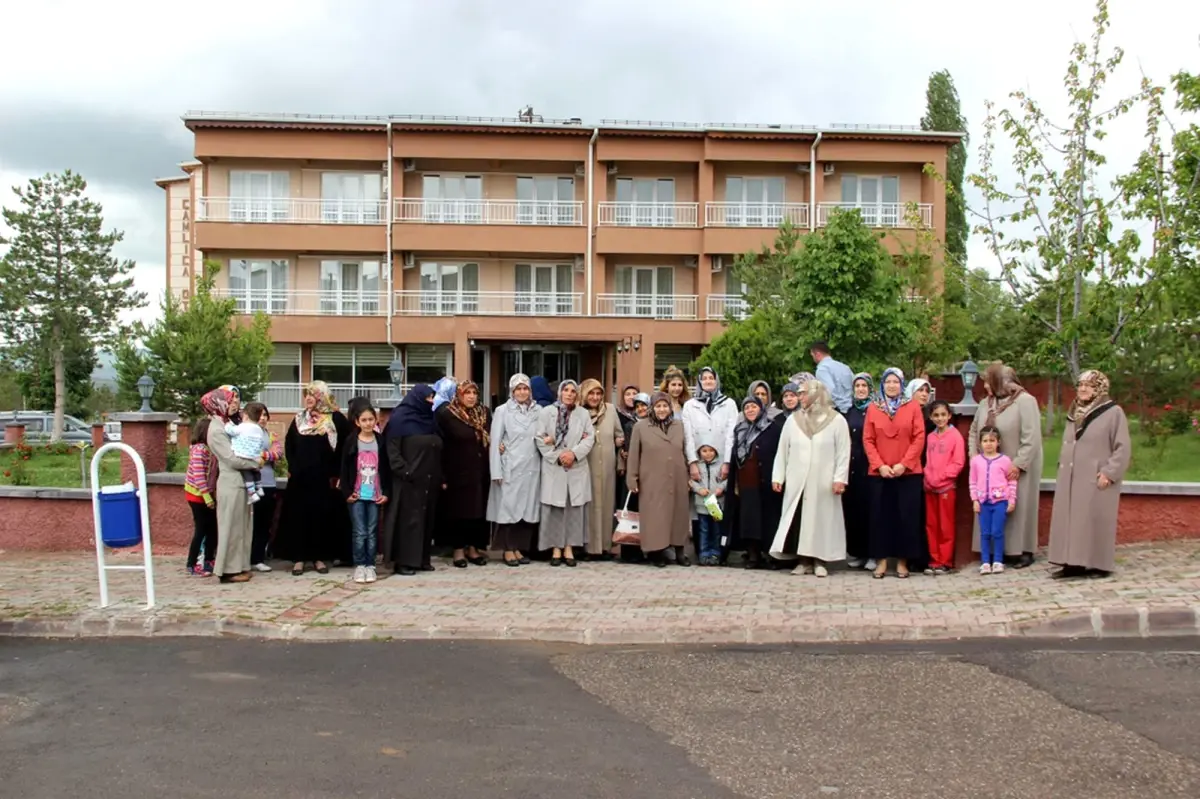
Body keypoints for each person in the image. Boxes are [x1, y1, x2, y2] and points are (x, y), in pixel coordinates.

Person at [1048, 370, 1131, 580]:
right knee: (1072, 520)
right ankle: (1071, 564)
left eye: (1089, 385)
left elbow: (1122, 447)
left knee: (1094, 519)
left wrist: (1109, 473)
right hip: (1071, 475)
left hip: (1097, 476)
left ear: (1100, 389)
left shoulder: (1113, 412)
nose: (1083, 389)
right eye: (1080, 385)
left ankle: (1098, 565)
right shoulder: (1074, 411)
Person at [769, 379, 850, 577]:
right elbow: (783, 450)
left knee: (821, 520)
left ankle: (820, 561)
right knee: (800, 520)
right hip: (798, 480)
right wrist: (778, 476)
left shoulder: (836, 420)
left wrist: (840, 478)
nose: (800, 397)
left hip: (824, 482)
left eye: (804, 393)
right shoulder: (793, 420)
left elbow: (843, 452)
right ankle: (803, 561)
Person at [968, 365, 1044, 568]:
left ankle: (1023, 550)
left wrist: (1019, 463)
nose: (984, 386)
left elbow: (1032, 436)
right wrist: (975, 456)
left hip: (1017, 464)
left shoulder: (1025, 402)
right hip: (988, 466)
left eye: (987, 381)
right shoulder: (986, 403)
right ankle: (994, 552)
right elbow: (975, 430)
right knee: (990, 505)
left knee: (1019, 507)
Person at [275, 381, 352, 577]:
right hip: (300, 480)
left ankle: (319, 558)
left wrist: (337, 474)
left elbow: (346, 447)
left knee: (320, 518)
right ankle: (299, 559)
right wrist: (292, 467)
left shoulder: (335, 419)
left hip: (324, 481)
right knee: (299, 518)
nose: (308, 399)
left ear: (322, 396)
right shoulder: (299, 419)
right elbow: (289, 445)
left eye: (312, 394)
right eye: (306, 395)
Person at [863, 367, 927, 579]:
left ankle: (902, 561)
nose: (892, 385)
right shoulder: (874, 408)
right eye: (888, 382)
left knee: (906, 517)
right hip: (880, 474)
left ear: (902, 384)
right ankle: (881, 561)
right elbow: (868, 439)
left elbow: (919, 437)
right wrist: (880, 465)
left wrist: (904, 464)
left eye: (896, 382)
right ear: (882, 384)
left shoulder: (913, 407)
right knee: (880, 518)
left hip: (907, 474)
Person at [201, 387, 264, 584]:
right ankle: (227, 570)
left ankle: (240, 566)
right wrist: (255, 463)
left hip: (240, 483)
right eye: (228, 400)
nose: (233, 404)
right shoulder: (216, 429)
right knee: (230, 528)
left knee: (242, 528)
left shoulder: (227, 424)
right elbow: (231, 459)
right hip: (231, 483)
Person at [626, 392, 691, 567]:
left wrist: (690, 475)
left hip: (677, 476)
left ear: (670, 408)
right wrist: (632, 478)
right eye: (658, 406)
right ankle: (656, 552)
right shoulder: (641, 427)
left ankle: (679, 551)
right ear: (652, 408)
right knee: (655, 517)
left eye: (665, 406)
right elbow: (633, 455)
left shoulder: (679, 426)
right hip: (652, 479)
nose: (662, 410)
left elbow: (686, 451)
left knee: (678, 515)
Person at [384, 384, 444, 576]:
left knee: (425, 520)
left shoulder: (430, 420)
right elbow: (392, 450)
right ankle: (404, 561)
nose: (431, 401)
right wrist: (405, 472)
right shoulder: (399, 419)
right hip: (407, 480)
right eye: (428, 398)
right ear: (417, 398)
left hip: (428, 479)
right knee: (408, 521)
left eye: (432, 397)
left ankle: (421, 560)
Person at [535, 379, 594, 566]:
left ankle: (569, 547)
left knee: (573, 509)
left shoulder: (583, 414)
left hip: (576, 467)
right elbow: (539, 437)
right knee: (555, 510)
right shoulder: (546, 413)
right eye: (566, 390)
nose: (569, 394)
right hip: (555, 467)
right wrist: (558, 456)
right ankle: (555, 548)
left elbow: (589, 438)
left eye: (573, 391)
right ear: (559, 393)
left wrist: (573, 454)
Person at [437, 379, 492, 568]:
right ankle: (458, 550)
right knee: (459, 512)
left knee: (477, 512)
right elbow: (441, 446)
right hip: (457, 472)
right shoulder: (447, 414)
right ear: (459, 395)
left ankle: (473, 549)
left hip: (480, 471)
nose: (471, 397)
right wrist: (442, 475)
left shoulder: (484, 413)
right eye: (467, 393)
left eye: (474, 393)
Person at [487, 374, 542, 566]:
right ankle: (507, 549)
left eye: (525, 388)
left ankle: (519, 547)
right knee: (508, 510)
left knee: (527, 511)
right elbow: (495, 441)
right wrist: (496, 471)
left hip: (532, 468)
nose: (522, 392)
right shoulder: (503, 411)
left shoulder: (538, 411)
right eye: (518, 389)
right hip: (510, 467)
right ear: (512, 391)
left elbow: (542, 436)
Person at [730, 394, 786, 569]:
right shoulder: (739, 430)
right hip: (747, 482)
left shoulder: (773, 428)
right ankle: (753, 555)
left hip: (767, 481)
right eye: (746, 407)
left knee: (769, 520)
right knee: (750, 520)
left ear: (761, 408)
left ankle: (771, 555)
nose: (750, 410)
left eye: (753, 407)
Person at [340, 402, 391, 584]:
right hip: (357, 494)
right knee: (359, 531)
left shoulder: (380, 441)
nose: (368, 423)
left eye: (371, 419)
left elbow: (386, 469)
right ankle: (360, 565)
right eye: (364, 420)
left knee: (372, 531)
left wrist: (386, 492)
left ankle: (371, 565)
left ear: (375, 420)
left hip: (375, 494)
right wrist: (347, 492)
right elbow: (344, 469)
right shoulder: (351, 441)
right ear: (357, 422)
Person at [579, 378, 623, 560]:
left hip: (607, 465)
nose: (595, 397)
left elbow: (619, 433)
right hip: (585, 464)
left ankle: (605, 546)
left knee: (606, 504)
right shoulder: (579, 412)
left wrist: (619, 441)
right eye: (591, 393)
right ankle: (588, 547)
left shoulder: (610, 410)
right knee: (588, 506)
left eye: (598, 393)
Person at [923, 399, 965, 575]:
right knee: (931, 525)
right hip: (929, 487)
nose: (940, 418)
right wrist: (928, 477)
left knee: (945, 526)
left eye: (943, 415)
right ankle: (934, 560)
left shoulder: (955, 436)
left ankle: (945, 561)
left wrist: (941, 477)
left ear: (949, 416)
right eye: (936, 415)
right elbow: (928, 461)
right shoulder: (930, 437)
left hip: (946, 487)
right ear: (931, 417)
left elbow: (958, 462)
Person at [969, 426, 1018, 575]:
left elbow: (1012, 481)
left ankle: (997, 560)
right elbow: (973, 481)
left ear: (998, 442)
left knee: (997, 531)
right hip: (983, 502)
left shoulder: (1005, 460)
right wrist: (975, 500)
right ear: (980, 443)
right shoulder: (976, 461)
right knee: (985, 532)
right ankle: (985, 562)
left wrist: (1011, 499)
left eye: (992, 440)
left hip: (1000, 502)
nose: (988, 444)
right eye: (985, 441)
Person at [243, 402, 281, 572]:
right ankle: (245, 558)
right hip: (249, 484)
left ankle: (258, 558)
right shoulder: (245, 433)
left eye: (265, 415)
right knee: (248, 522)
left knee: (264, 523)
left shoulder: (271, 435)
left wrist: (263, 454)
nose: (263, 418)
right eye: (260, 415)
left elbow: (278, 453)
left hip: (268, 483)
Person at [844, 373, 874, 569]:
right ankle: (857, 552)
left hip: (870, 466)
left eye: (864, 386)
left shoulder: (876, 410)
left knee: (871, 511)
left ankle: (872, 553)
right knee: (853, 510)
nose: (861, 389)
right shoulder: (849, 412)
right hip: (852, 467)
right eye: (858, 386)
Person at [184, 417, 217, 577]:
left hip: (206, 495)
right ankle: (193, 562)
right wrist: (207, 497)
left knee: (212, 529)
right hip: (197, 496)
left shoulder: (210, 449)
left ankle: (209, 559)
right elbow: (199, 476)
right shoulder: (200, 450)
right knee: (201, 530)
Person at [688, 437, 726, 565]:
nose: (708, 454)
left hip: (717, 504)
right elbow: (691, 481)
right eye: (704, 451)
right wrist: (699, 490)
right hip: (702, 505)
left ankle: (716, 553)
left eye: (711, 450)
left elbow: (726, 480)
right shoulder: (697, 466)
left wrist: (721, 488)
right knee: (703, 530)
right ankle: (703, 553)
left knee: (716, 530)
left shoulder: (721, 465)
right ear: (699, 452)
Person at [223, 413, 265, 504]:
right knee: (256, 471)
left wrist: (227, 424)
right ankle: (260, 488)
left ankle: (252, 494)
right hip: (254, 456)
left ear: (246, 417)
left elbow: (231, 431)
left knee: (247, 474)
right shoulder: (258, 429)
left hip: (243, 455)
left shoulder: (242, 426)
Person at [810, 340, 855, 414]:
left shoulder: (822, 369)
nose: (813, 358)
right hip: (852, 410)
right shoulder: (844, 367)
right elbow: (855, 385)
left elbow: (829, 392)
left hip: (837, 411)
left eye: (812, 355)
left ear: (817, 354)